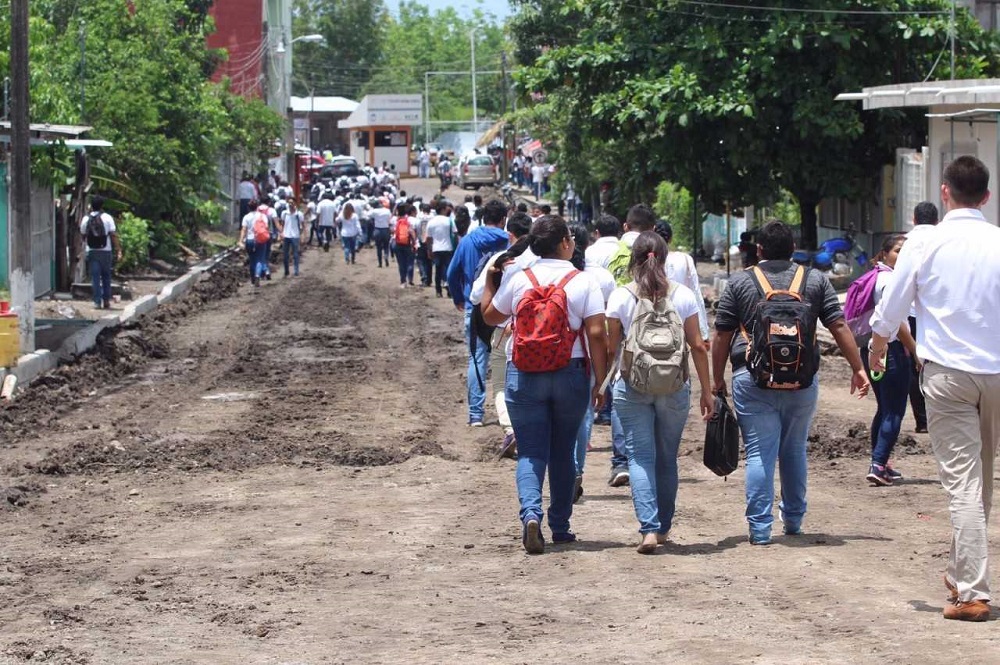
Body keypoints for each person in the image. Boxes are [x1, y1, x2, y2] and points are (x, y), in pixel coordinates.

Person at [870, 155, 1000, 622]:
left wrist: (877, 347)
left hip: (948, 375)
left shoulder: (926, 244)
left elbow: (892, 304)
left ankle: (972, 592)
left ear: (945, 192)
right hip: (997, 374)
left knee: (965, 482)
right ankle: (960, 570)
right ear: (985, 196)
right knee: (979, 479)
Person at [712, 220, 869, 546]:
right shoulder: (814, 280)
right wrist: (858, 368)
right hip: (802, 381)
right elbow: (838, 326)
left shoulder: (740, 282)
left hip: (752, 379)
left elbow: (722, 335)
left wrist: (716, 381)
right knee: (794, 450)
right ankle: (794, 520)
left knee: (758, 453)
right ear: (792, 248)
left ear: (759, 250)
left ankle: (759, 529)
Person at [480, 215, 609, 554]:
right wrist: (600, 381)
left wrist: (492, 284)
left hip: (523, 372)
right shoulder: (583, 282)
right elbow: (596, 333)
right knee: (563, 452)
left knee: (532, 450)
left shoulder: (519, 279)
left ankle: (531, 516)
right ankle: (561, 527)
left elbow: (491, 316)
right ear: (565, 243)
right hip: (571, 371)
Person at [607, 231, 713, 552]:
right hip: (675, 385)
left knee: (639, 456)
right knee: (667, 457)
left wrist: (605, 376)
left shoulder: (621, 295)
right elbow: (697, 345)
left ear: (633, 260)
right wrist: (707, 391)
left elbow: (613, 346)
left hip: (633, 385)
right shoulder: (682, 295)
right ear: (664, 259)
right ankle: (664, 528)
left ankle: (649, 530)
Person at [858, 234, 916, 486]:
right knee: (894, 411)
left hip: (871, 349)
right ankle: (878, 464)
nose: (901, 257)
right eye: (897, 251)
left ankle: (881, 461)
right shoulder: (890, 280)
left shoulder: (874, 277)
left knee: (883, 408)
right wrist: (915, 351)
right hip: (888, 350)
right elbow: (896, 322)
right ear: (883, 254)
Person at [447, 200, 511, 426]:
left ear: (484, 218)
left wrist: (458, 298)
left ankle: (476, 415)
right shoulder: (509, 242)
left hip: (474, 307)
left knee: (477, 359)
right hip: (504, 310)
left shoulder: (467, 242)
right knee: (508, 359)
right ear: (504, 219)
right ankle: (509, 412)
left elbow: (452, 272)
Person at [569, 223, 616, 501]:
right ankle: (576, 469)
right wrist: (603, 374)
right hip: (589, 353)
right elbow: (606, 325)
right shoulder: (602, 277)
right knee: (584, 412)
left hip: (554, 355)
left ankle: (562, 471)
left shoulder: (553, 274)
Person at [907, 201, 939, 434]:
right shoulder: (945, 240)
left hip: (911, 317)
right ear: (937, 220)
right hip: (938, 316)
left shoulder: (907, 243)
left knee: (915, 368)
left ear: (914, 219)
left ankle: (922, 420)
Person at [656, 221, 710, 346]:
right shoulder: (685, 259)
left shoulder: (649, 259)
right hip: (682, 315)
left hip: (655, 317)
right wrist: (703, 332)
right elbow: (695, 292)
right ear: (670, 238)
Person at [80, 196, 122, 309]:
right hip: (106, 251)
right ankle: (106, 301)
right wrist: (118, 249)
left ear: (91, 206)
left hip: (92, 251)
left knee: (95, 278)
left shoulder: (85, 219)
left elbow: (83, 235)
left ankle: (97, 302)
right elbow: (113, 235)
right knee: (106, 276)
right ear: (102, 206)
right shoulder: (107, 218)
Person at [425, 201, 457, 298]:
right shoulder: (449, 220)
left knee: (438, 271)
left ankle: (438, 291)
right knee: (449, 270)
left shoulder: (431, 222)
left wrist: (429, 250)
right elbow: (455, 234)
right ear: (443, 209)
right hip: (448, 248)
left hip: (436, 249)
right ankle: (450, 291)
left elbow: (428, 238)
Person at [238, 201, 271, 287]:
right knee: (260, 259)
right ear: (257, 207)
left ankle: (253, 279)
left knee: (252, 260)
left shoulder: (246, 217)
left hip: (249, 240)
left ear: (248, 208)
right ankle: (257, 275)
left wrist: (240, 241)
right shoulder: (262, 216)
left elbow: (244, 230)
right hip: (260, 239)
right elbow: (266, 227)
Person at [392, 203, 417, 288]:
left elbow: (391, 230)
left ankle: (403, 281)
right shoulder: (409, 220)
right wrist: (414, 243)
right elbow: (412, 232)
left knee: (401, 263)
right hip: (407, 244)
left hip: (398, 244)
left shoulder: (395, 220)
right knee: (410, 262)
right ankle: (410, 280)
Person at [278, 199, 304, 277]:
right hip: (286, 236)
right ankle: (286, 270)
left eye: (292, 202)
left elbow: (302, 225)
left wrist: (302, 236)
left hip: (295, 236)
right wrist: (281, 233)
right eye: (289, 202)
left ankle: (296, 271)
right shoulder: (284, 213)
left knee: (295, 254)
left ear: (295, 204)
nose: (290, 204)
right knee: (285, 255)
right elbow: (282, 224)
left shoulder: (298, 214)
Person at [371, 199, 393, 268]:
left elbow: (369, 216)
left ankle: (380, 263)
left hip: (377, 229)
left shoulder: (374, 211)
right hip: (386, 229)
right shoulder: (387, 211)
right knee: (386, 246)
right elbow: (390, 219)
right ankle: (386, 256)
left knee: (378, 247)